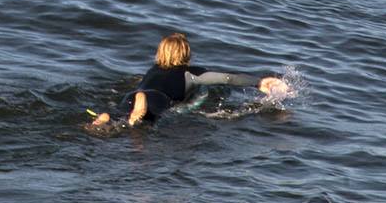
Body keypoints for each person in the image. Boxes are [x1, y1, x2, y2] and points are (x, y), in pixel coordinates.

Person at [87, 31, 287, 130]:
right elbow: (226, 78)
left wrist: (140, 95)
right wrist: (259, 82)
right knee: (145, 122)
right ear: (187, 54)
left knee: (119, 116)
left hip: (135, 95)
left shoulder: (153, 69)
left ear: (160, 52)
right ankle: (140, 110)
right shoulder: (190, 73)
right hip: (158, 99)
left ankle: (105, 118)